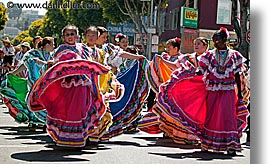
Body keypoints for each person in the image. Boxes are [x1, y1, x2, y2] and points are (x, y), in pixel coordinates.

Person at [155, 27, 250, 155]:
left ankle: (231, 144)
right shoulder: (209, 55)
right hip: (212, 90)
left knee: (228, 116)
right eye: (213, 40)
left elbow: (237, 75)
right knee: (211, 115)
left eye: (217, 39)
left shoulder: (235, 55)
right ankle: (207, 142)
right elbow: (200, 71)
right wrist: (186, 76)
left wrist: (240, 95)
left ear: (224, 39)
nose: (215, 42)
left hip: (228, 90)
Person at [28, 25, 124, 147]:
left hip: (83, 84)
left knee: (82, 109)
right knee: (67, 110)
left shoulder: (83, 49)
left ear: (77, 36)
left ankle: (81, 136)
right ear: (63, 37)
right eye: (67, 35)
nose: (70, 37)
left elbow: (90, 65)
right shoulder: (61, 49)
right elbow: (57, 65)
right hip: (67, 85)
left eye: (72, 34)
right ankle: (65, 136)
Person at [138, 37, 209, 134]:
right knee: (181, 109)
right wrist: (162, 60)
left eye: (199, 44)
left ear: (205, 46)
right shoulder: (188, 58)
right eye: (195, 44)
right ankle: (179, 131)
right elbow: (175, 66)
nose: (196, 46)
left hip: (204, 90)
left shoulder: (210, 57)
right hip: (188, 90)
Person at [91, 28, 149, 139]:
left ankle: (100, 131)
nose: (105, 39)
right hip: (92, 81)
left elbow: (120, 53)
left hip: (105, 82)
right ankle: (89, 131)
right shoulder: (87, 49)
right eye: (103, 37)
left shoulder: (107, 47)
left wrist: (137, 57)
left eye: (105, 37)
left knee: (105, 106)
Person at [0, 37, 55, 130]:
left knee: (46, 102)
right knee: (32, 101)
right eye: (52, 44)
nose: (54, 46)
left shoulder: (53, 55)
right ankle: (33, 122)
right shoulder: (33, 53)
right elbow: (25, 65)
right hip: (33, 82)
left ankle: (44, 122)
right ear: (47, 45)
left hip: (47, 83)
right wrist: (14, 73)